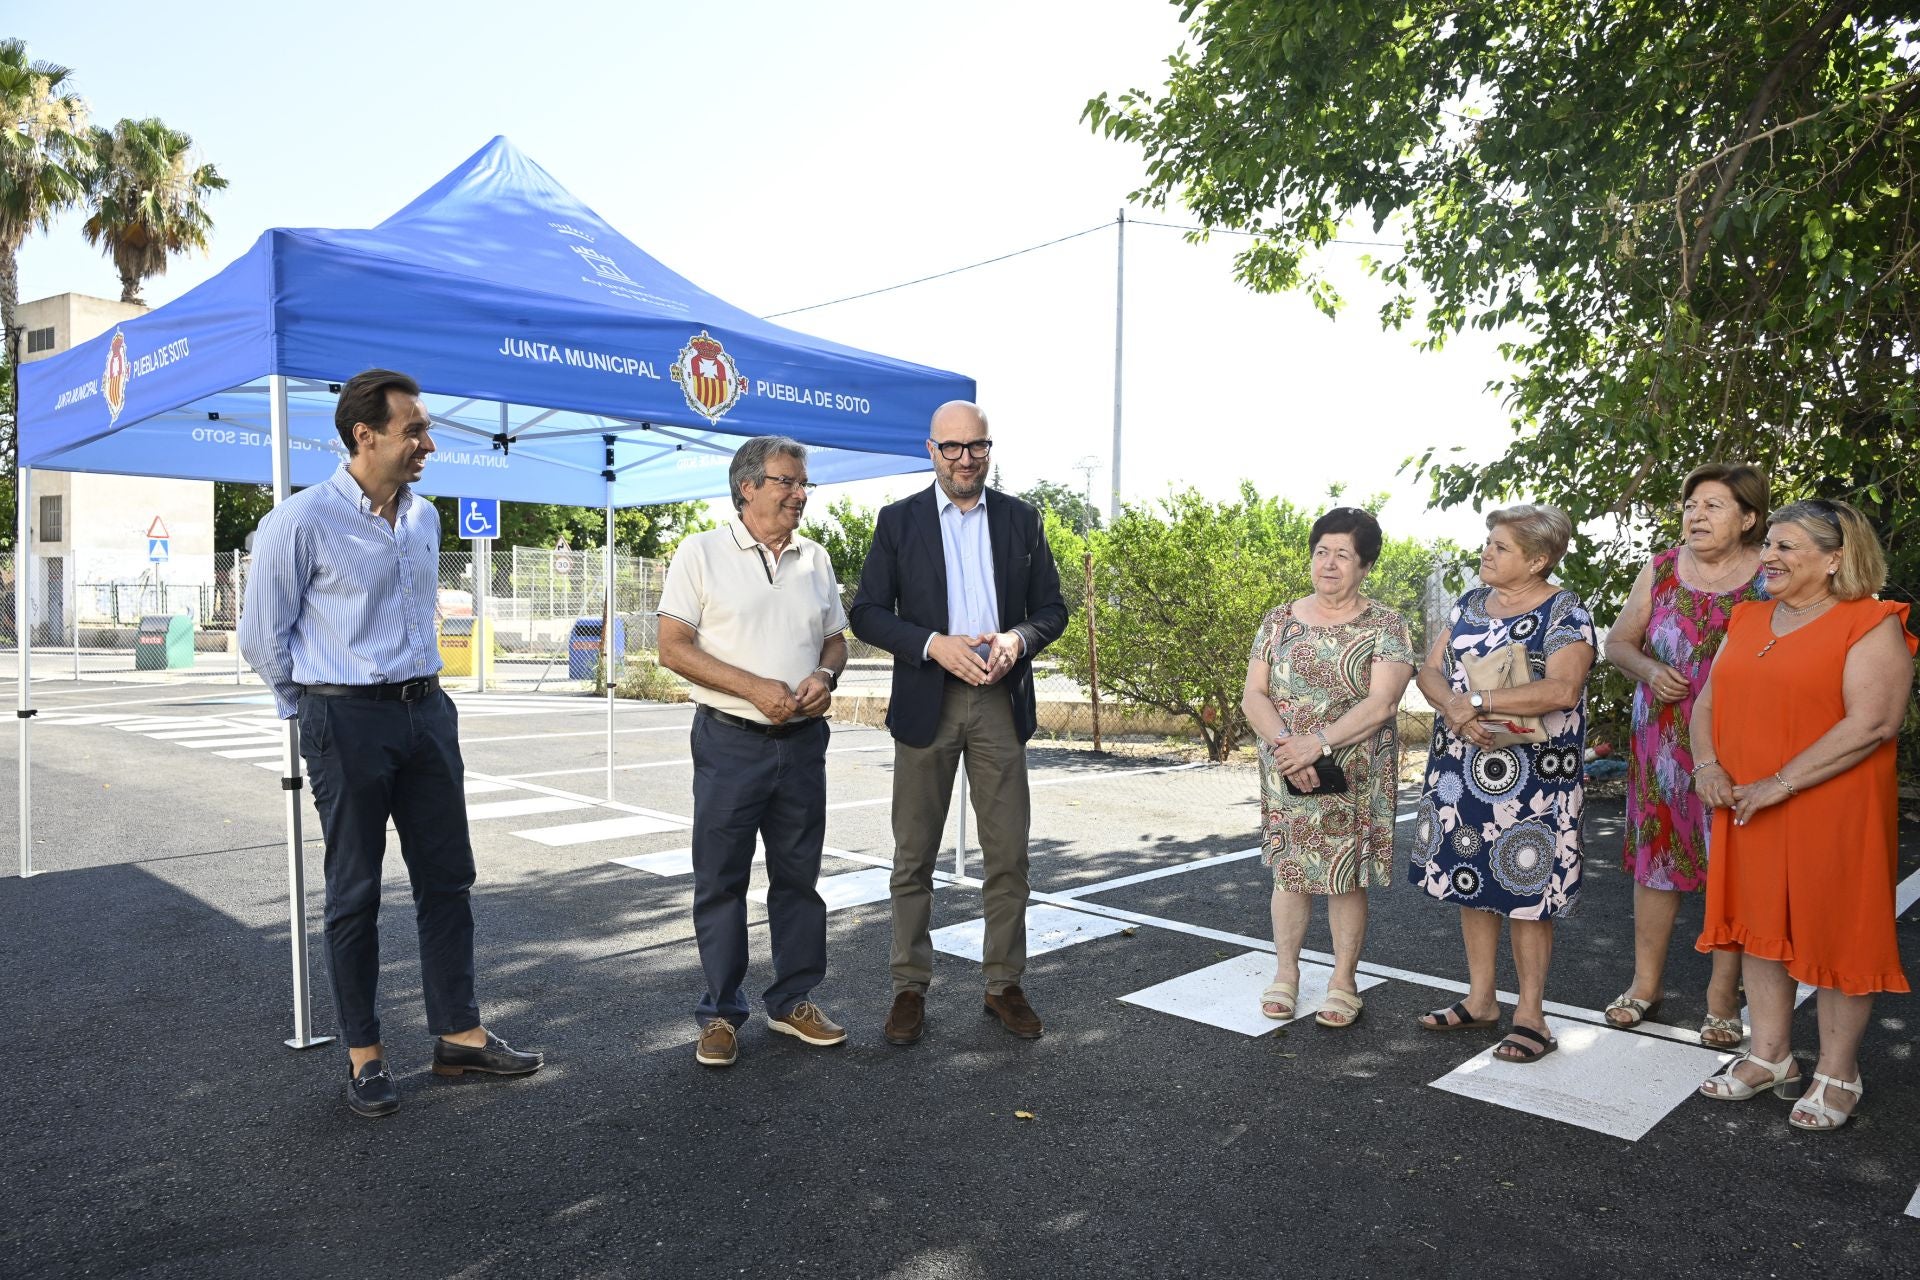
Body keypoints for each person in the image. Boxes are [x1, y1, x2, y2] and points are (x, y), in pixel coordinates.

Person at [239, 368, 541, 1119]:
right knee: (355, 892)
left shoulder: (425, 518)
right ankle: (365, 1055)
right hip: (346, 720)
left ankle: (459, 1037)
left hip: (427, 712)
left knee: (449, 879)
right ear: (362, 435)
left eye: (426, 429)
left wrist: (419, 705)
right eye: (414, 430)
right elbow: (260, 638)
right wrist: (313, 707)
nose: (428, 443)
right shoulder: (299, 523)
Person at [850, 401, 1068, 1044]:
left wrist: (1017, 640)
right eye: (952, 447)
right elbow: (866, 613)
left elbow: (1051, 609)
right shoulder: (897, 521)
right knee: (912, 857)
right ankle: (908, 989)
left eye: (977, 447)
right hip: (928, 700)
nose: (966, 458)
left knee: (1009, 856)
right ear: (931, 450)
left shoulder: (1022, 520)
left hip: (1000, 703)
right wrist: (930, 644)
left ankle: (1004, 985)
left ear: (989, 450)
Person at [1692, 499, 1913, 1130]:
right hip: (1747, 801)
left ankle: (1838, 1072)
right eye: (1769, 546)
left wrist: (1780, 783)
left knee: (1839, 934)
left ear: (1835, 558)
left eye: (1787, 547)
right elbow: (1707, 702)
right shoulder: (1748, 617)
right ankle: (1770, 1057)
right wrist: (1708, 766)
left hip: (1831, 806)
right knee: (1760, 927)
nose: (1769, 557)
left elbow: (1873, 723)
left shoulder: (1870, 621)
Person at [655, 436, 849, 1068]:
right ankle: (719, 1011)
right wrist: (754, 688)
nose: (799, 494)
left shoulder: (815, 558)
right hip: (729, 741)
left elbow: (835, 640)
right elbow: (673, 648)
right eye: (788, 482)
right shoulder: (701, 552)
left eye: (803, 484)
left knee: (799, 880)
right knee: (721, 881)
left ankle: (794, 1001)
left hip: (801, 745)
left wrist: (826, 678)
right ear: (748, 486)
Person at [1410, 504, 1596, 1063]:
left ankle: (1532, 1018)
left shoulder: (1567, 612)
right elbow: (1430, 669)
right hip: (1464, 767)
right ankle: (1482, 999)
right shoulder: (1469, 602)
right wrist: (1456, 709)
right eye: (1488, 542)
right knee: (1473, 881)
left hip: (1536, 780)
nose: (1486, 553)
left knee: (1527, 893)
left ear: (1538, 560)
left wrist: (1476, 701)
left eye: (1500, 547)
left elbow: (1563, 689)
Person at [1602, 463, 1769, 1046]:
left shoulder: (1770, 577)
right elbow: (1618, 642)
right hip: (1661, 744)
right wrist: (1649, 668)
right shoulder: (1663, 569)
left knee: (1734, 867)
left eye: (1713, 506)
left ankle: (1723, 997)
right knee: (1657, 862)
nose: (1696, 516)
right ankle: (1645, 985)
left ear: (1749, 519)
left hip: (1740, 744)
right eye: (1691, 505)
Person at [1240, 507, 1415, 1028]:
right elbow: (1253, 694)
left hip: (1354, 771)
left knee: (1344, 878)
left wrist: (1316, 744)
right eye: (1322, 552)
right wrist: (1287, 748)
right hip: (1286, 762)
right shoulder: (1278, 619)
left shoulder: (1387, 625)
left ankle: (1343, 981)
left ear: (1364, 566)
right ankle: (1287, 975)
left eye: (1343, 555)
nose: (1329, 564)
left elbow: (1383, 704)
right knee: (1290, 875)